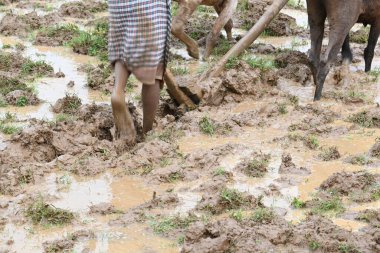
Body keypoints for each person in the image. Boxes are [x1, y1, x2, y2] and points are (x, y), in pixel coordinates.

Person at [108, 0, 171, 144]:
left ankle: (117, 92)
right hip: (149, 6)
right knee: (153, 72)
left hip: (119, 6)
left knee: (123, 48)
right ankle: (147, 133)